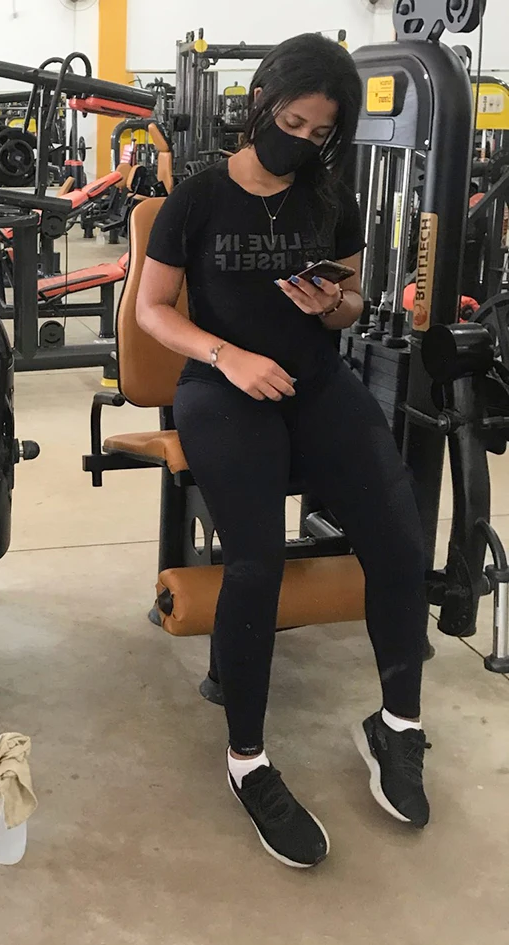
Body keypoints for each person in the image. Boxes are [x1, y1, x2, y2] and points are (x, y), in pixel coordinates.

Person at [136, 34, 431, 869]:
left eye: (317, 132)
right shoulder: (196, 197)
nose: (298, 141)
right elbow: (153, 308)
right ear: (260, 100)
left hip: (316, 379)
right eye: (290, 122)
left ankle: (397, 725)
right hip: (222, 387)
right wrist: (227, 355)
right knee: (256, 565)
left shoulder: (329, 198)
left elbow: (351, 301)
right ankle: (248, 761)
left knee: (400, 543)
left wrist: (332, 304)